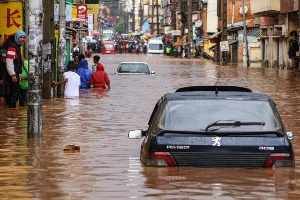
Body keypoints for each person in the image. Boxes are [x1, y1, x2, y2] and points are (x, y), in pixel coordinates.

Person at [6, 30, 26, 108]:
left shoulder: (17, 47)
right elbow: (9, 62)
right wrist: (13, 75)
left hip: (15, 74)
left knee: (15, 94)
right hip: (13, 75)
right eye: (21, 37)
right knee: (14, 94)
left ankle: (12, 114)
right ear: (17, 37)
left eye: (24, 38)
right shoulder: (12, 47)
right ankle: (11, 112)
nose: (22, 39)